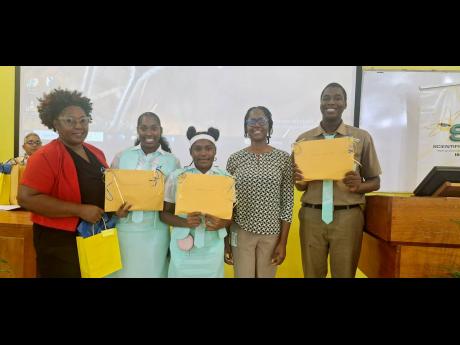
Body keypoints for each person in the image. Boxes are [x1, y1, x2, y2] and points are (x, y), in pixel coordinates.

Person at [18, 88, 129, 278]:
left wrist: (113, 210)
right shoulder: (44, 156)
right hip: (59, 244)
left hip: (92, 238)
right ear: (55, 123)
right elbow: (26, 198)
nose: (79, 126)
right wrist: (79, 210)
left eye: (83, 120)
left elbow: (101, 190)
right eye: (70, 121)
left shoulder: (96, 152)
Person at [293, 82, 382, 278]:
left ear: (345, 104)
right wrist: (299, 180)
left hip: (347, 218)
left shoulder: (361, 138)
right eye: (326, 98)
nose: (331, 102)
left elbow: (375, 181)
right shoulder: (304, 141)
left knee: (344, 274)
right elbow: (300, 186)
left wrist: (360, 186)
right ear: (320, 103)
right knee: (312, 274)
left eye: (337, 98)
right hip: (312, 216)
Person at [107, 112, 181, 278]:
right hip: (125, 230)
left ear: (160, 130)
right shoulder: (122, 156)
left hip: (156, 233)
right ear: (137, 130)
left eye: (154, 128)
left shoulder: (172, 161)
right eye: (144, 128)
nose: (149, 133)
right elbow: (111, 193)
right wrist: (116, 211)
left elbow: (176, 198)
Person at [225, 106, 294, 278]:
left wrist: (283, 243)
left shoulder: (283, 159)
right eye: (251, 121)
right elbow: (227, 204)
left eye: (261, 121)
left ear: (269, 125)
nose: (256, 125)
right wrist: (226, 241)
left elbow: (287, 203)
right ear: (245, 127)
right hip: (240, 231)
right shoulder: (234, 159)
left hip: (271, 234)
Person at [159, 126, 232, 278]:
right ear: (190, 152)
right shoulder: (178, 177)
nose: (203, 153)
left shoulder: (225, 178)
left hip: (213, 246)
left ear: (215, 151)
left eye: (208, 148)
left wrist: (222, 223)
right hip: (184, 245)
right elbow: (164, 215)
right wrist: (185, 222)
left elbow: (230, 215)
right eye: (197, 149)